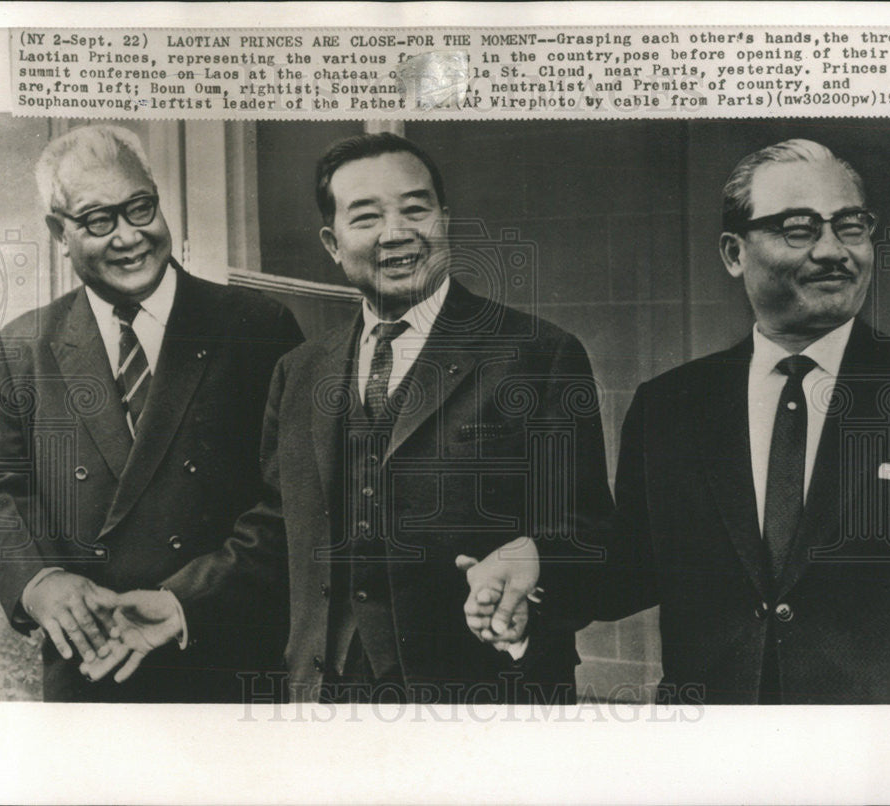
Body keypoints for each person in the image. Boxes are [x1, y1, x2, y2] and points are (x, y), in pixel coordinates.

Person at [86, 132, 629, 704]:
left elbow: (591, 539)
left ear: (444, 220)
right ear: (333, 243)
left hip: (483, 698)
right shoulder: (299, 372)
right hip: (323, 698)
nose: (396, 233)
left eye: (415, 209)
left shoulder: (536, 354)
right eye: (366, 217)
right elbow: (275, 532)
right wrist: (180, 603)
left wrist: (533, 566)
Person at [0, 124, 304, 702]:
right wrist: (39, 582)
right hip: (90, 666)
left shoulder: (257, 327)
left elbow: (291, 502)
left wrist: (186, 601)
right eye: (97, 220)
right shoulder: (21, 348)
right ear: (59, 232)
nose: (129, 237)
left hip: (228, 659)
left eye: (140, 208)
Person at [610, 139, 890, 704]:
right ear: (734, 253)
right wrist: (530, 560)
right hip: (714, 744)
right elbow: (626, 576)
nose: (833, 250)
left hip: (874, 756)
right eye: (799, 228)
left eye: (850, 226)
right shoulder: (669, 405)